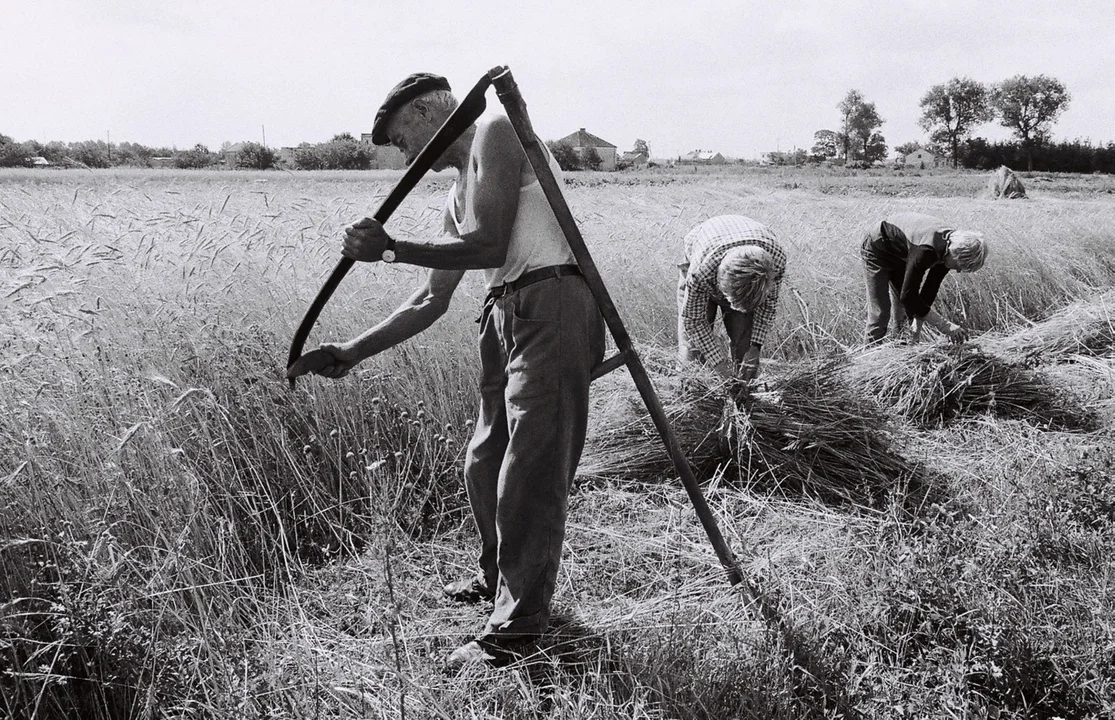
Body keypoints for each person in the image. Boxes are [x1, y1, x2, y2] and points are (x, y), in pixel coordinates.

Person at [286, 73, 605, 669]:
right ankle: (498, 579)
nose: (405, 154)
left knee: (529, 472)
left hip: (552, 303)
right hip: (503, 315)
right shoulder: (457, 192)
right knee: (484, 462)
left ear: (431, 109)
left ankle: (515, 628)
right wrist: (351, 350)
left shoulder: (495, 128)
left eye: (404, 137)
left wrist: (389, 247)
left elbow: (485, 247)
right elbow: (429, 300)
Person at [676, 215, 786, 383]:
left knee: (745, 353)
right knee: (693, 353)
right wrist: (719, 365)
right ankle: (690, 398)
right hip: (704, 247)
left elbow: (768, 307)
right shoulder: (700, 272)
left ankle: (744, 398)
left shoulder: (775, 262)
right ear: (719, 284)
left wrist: (755, 347)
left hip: (743, 242)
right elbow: (694, 322)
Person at [860, 212, 989, 344]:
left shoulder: (949, 252)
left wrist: (917, 323)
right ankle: (870, 356)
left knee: (904, 313)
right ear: (956, 254)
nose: (959, 270)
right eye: (960, 265)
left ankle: (900, 351)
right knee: (880, 313)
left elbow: (930, 289)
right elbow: (908, 296)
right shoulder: (926, 250)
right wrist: (944, 325)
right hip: (877, 249)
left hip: (901, 253)